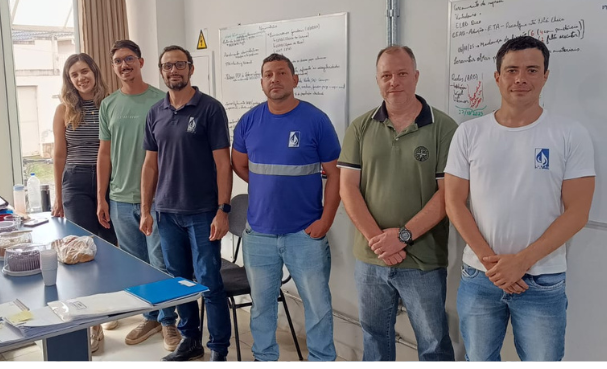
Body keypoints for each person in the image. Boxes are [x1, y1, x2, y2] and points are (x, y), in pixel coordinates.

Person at [444, 36, 595, 361]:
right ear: (498, 77)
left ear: (545, 75)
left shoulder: (570, 134)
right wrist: (493, 264)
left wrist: (521, 262)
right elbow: (454, 202)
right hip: (480, 277)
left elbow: (578, 211)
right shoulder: (469, 133)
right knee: (479, 360)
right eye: (512, 70)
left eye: (532, 70)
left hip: (542, 279)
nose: (521, 78)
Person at [338, 45, 456, 361]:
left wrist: (402, 236)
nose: (394, 82)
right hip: (371, 259)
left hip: (423, 260)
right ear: (378, 80)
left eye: (402, 73)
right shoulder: (360, 127)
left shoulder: (444, 128)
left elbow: (448, 195)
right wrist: (379, 242)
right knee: (374, 337)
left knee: (433, 343)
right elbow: (347, 188)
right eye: (386, 75)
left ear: (416, 76)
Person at [231, 53, 341, 361]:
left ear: (294, 80)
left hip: (304, 234)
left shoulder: (315, 120)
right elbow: (239, 164)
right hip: (259, 235)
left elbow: (335, 174)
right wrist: (267, 185)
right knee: (261, 307)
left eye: (281, 73)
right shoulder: (249, 121)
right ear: (261, 82)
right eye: (268, 74)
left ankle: (323, 360)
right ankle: (264, 359)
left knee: (317, 306)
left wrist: (326, 220)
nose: (274, 79)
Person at [141, 45, 232, 361]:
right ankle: (190, 340)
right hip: (167, 213)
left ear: (191, 68)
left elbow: (223, 164)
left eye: (179, 64)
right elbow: (150, 165)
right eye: (167, 66)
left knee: (209, 283)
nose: (173, 70)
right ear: (161, 71)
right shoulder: (155, 112)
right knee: (178, 282)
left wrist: (223, 210)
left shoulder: (210, 109)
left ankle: (219, 349)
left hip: (203, 212)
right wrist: (146, 209)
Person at [96, 40, 180, 351]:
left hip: (158, 200)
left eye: (129, 58)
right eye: (118, 61)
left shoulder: (161, 100)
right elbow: (104, 154)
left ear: (141, 62)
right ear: (113, 67)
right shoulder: (108, 105)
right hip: (119, 199)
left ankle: (170, 322)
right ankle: (150, 317)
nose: (124, 65)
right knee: (136, 266)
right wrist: (102, 197)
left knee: (160, 263)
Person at [51, 53, 118, 353]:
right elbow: (59, 155)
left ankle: (110, 304)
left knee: (110, 246)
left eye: (85, 71)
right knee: (81, 251)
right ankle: (92, 323)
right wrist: (58, 196)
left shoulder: (111, 103)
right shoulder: (63, 110)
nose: (81, 78)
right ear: (69, 80)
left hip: (109, 180)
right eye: (74, 74)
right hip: (76, 180)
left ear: (95, 72)